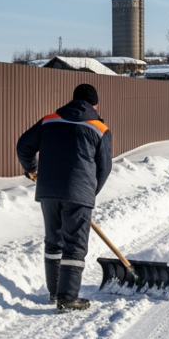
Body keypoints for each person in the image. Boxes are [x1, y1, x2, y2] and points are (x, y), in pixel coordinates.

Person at [16, 83, 113, 313]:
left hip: (48, 190)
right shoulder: (99, 128)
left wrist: (32, 169)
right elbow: (104, 167)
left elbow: (23, 145)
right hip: (79, 192)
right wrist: (89, 193)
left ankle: (54, 292)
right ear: (95, 105)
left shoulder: (49, 120)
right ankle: (67, 297)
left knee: (54, 242)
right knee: (75, 246)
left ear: (73, 100)